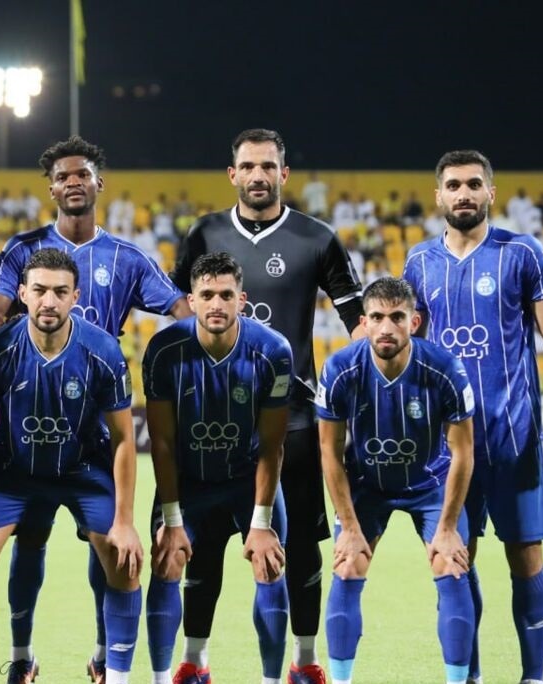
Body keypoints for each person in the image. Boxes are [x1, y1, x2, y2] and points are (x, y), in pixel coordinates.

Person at [0, 136, 190, 682]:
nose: (73, 182)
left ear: (99, 184)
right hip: (27, 426)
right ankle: (21, 657)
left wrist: (187, 362)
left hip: (93, 432)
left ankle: (103, 655)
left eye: (83, 175)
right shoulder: (22, 249)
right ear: (51, 188)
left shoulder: (127, 258)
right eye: (63, 176)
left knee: (109, 550)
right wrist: (22, 359)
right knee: (28, 540)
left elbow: (182, 313)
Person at [171, 128, 365, 684]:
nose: (258, 175)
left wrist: (357, 389)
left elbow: (358, 323)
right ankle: (195, 661)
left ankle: (304, 661)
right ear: (233, 174)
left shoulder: (316, 237)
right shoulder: (204, 233)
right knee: (206, 544)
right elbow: (177, 305)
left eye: (268, 166)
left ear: (284, 173)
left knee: (299, 545)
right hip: (214, 421)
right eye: (249, 166)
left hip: (295, 419)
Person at [403, 150, 543, 684]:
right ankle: (469, 677)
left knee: (526, 557)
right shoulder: (418, 262)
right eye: (454, 185)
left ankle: (533, 678)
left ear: (490, 193)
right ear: (438, 195)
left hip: (512, 438)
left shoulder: (521, 253)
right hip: (447, 449)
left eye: (474, 184)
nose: (464, 194)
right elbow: (409, 347)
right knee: (454, 561)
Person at [0, 248, 144, 684]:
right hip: (17, 472)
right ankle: (8, 665)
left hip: (84, 470)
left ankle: (112, 672)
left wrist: (124, 522)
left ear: (76, 296)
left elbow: (123, 439)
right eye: (39, 290)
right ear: (22, 294)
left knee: (124, 558)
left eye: (60, 292)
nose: (49, 301)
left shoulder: (103, 351)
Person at [316, 277, 477, 684]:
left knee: (452, 564)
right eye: (376, 317)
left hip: (431, 484)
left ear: (414, 322)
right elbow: (329, 453)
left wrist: (447, 528)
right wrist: (349, 527)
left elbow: (463, 452)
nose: (386, 327)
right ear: (364, 322)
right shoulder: (339, 368)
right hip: (367, 485)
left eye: (397, 317)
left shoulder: (445, 369)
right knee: (347, 564)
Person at [143, 252, 293, 684]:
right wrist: (172, 521)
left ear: (241, 300)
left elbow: (272, 446)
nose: (216, 304)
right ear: (191, 300)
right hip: (189, 480)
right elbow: (163, 443)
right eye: (206, 295)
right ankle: (165, 677)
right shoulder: (164, 351)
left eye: (226, 295)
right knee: (167, 558)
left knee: (269, 562)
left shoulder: (273, 351)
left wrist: (261, 523)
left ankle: (270, 680)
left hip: (248, 480)